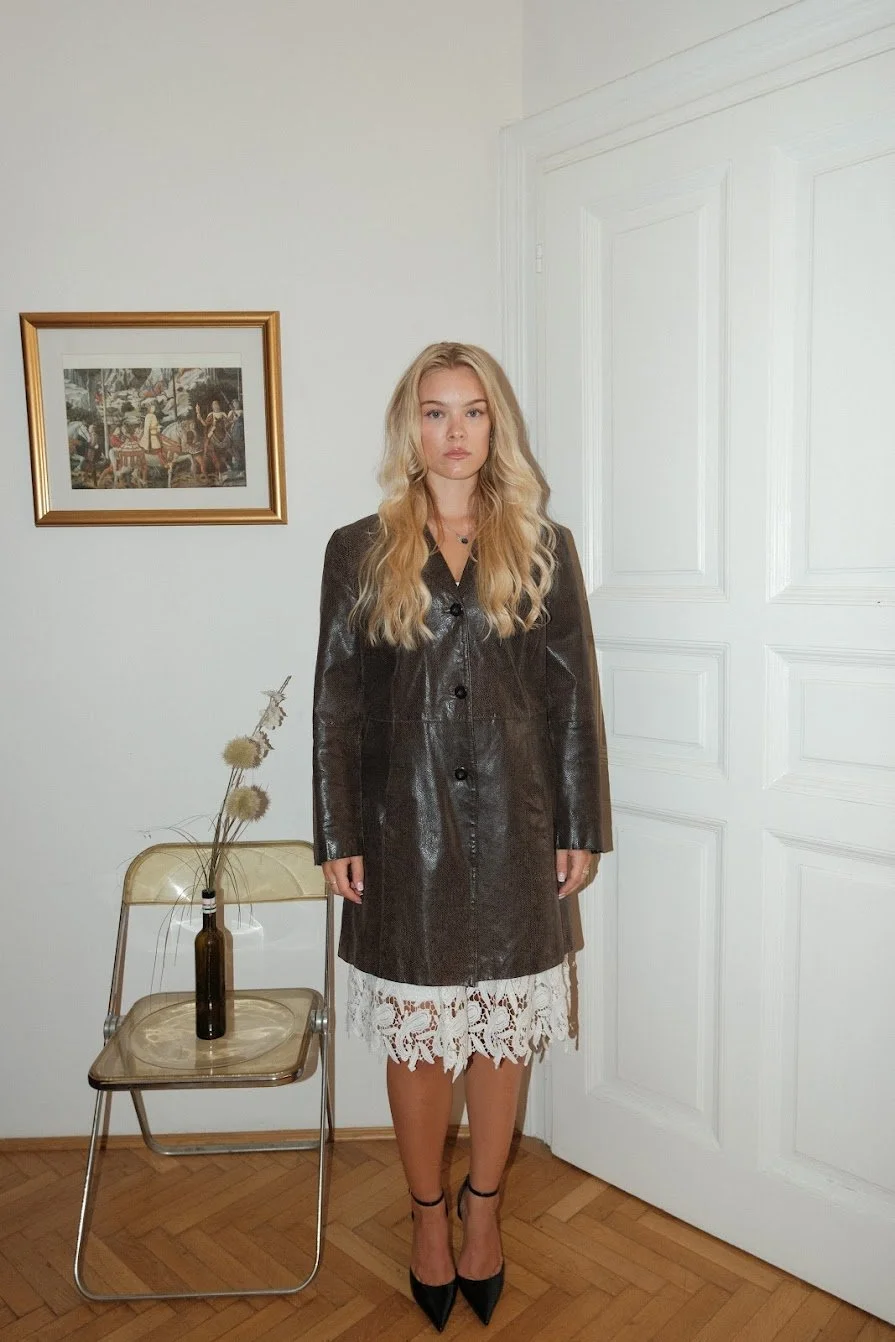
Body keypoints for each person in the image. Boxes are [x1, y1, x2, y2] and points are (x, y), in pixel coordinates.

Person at [311, 342, 611, 1332]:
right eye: (435, 412)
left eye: (472, 411)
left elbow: (570, 698)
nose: (454, 431)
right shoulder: (357, 548)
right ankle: (427, 1218)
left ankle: (484, 1212)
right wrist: (336, 830)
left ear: (496, 427)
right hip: (404, 829)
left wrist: (577, 823)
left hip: (517, 824)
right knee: (419, 1033)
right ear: (411, 427)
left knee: (499, 1025)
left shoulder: (541, 544)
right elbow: (337, 704)